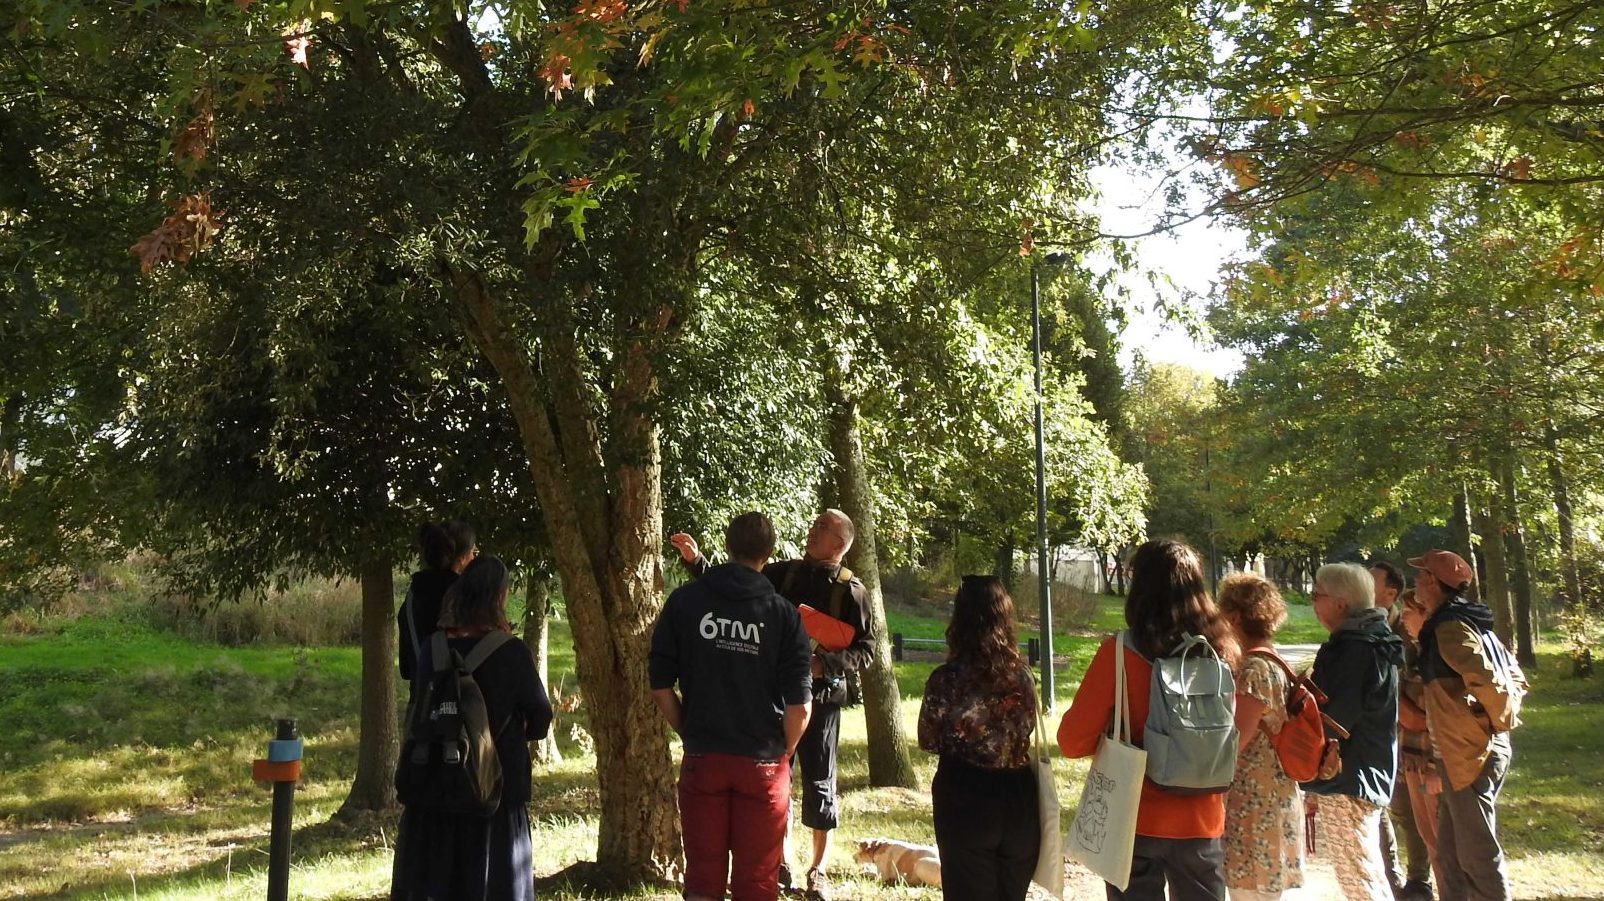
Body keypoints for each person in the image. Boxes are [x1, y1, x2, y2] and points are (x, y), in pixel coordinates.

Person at [669, 509, 874, 900]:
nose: (812, 531)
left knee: (821, 783)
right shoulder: (784, 574)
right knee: (780, 782)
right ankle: (781, 862)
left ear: (840, 543)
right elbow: (737, 584)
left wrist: (824, 663)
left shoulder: (852, 591)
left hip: (824, 700)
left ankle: (819, 870)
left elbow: (866, 649)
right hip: (777, 700)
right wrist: (698, 564)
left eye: (822, 528)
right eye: (814, 525)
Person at [1057, 538, 1238, 901]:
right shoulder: (1220, 654)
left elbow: (1071, 741)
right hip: (1201, 817)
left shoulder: (1119, 654)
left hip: (1133, 820)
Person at [652, 512, 814, 901]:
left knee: (703, 879)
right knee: (758, 882)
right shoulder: (783, 615)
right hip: (762, 760)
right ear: (769, 554)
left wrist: (686, 728)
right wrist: (784, 751)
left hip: (704, 754)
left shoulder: (685, 601)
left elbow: (659, 683)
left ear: (727, 546)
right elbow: (801, 706)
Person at [392, 555, 553, 901]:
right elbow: (540, 717)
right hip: (492, 793)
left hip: (433, 789)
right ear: (499, 597)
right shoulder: (510, 651)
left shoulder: (431, 649)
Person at [1408, 549, 1524, 901]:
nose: (1415, 581)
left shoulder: (1450, 627)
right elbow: (1516, 675)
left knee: (1476, 856)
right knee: (1451, 855)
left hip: (1471, 756)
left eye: (1419, 575)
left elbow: (1490, 680)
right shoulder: (1469, 623)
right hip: (1463, 754)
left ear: (1431, 581)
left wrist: (1493, 722)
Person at [917, 575, 1041, 901]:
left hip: (965, 796)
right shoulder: (1023, 676)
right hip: (1019, 798)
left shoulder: (946, 679)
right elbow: (1027, 726)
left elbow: (928, 738)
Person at [1302, 562, 1403, 901]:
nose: (1313, 603)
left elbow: (1333, 718)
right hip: (1361, 771)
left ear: (1341, 604)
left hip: (1351, 776)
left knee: (1358, 876)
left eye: (1317, 595)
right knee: (1363, 871)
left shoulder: (1356, 649)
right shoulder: (1370, 640)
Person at [1216, 573, 1304, 901]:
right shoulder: (1271, 660)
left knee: (1250, 892)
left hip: (1254, 804)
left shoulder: (1254, 669)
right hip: (1271, 795)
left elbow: (1236, 739)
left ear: (1236, 616)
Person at [1370, 559, 1434, 901]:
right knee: (1380, 807)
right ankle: (1391, 878)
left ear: (1390, 592)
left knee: (1410, 811)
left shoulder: (1409, 633)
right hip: (1380, 735)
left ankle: (1419, 881)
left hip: (1410, 739)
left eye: (1372, 581)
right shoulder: (1364, 628)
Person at [398, 521, 477, 686]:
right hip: (462, 702)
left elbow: (406, 669)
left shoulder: (411, 598)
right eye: (473, 552)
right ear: (462, 558)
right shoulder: (467, 599)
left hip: (422, 703)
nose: (474, 558)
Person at [1395, 589, 1442, 860]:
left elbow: (1429, 718)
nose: (1404, 619)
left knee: (1443, 844)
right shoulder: (1415, 653)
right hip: (1414, 761)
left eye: (1410, 612)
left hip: (1432, 764)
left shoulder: (1438, 656)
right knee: (1431, 840)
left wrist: (1392, 697)